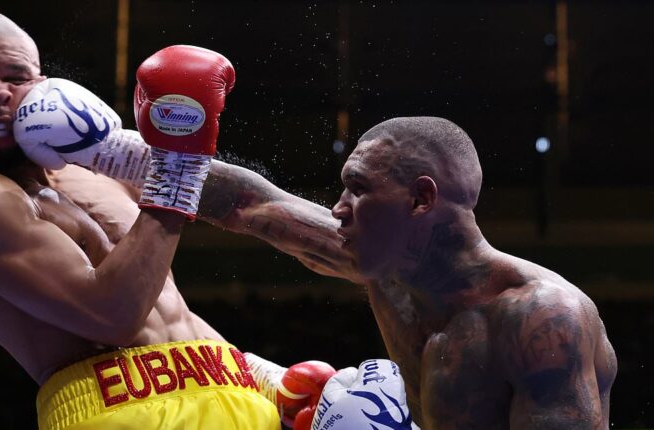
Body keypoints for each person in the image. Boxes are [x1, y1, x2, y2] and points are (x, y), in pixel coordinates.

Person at [0, 10, 335, 430]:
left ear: (41, 84)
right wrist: (176, 168)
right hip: (119, 411)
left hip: (230, 386)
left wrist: (265, 376)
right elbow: (114, 317)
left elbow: (242, 206)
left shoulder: (95, 163)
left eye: (15, 77)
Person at [197, 117, 618, 429]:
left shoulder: (541, 320)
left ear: (420, 199)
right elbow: (251, 205)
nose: (338, 209)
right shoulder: (388, 268)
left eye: (358, 189)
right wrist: (134, 154)